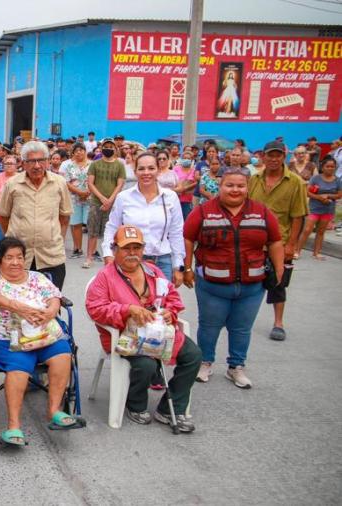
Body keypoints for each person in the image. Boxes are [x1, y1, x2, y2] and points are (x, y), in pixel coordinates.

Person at [86, 225, 201, 432]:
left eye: (137, 248)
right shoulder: (105, 277)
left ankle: (170, 407)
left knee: (193, 355)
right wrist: (127, 310)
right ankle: (135, 403)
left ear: (143, 249)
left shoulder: (153, 271)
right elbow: (95, 308)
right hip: (125, 336)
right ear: (114, 250)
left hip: (158, 333)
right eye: (126, 248)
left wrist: (170, 312)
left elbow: (173, 297)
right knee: (146, 365)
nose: (132, 253)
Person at [182, 167, 284, 389]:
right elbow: (188, 238)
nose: (235, 190)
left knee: (241, 328)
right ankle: (205, 362)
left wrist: (279, 269)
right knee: (209, 326)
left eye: (240, 185)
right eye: (230, 185)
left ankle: (236, 367)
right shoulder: (202, 211)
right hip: (212, 285)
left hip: (252, 286)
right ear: (220, 186)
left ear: (247, 187)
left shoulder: (261, 211)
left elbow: (275, 241)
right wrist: (187, 267)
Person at [0, 237, 79, 443]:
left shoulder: (37, 278)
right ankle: (13, 426)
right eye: (9, 258)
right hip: (8, 337)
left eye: (19, 257)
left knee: (63, 355)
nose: (15, 262)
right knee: (19, 367)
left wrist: (50, 311)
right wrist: (19, 307)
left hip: (44, 333)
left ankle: (54, 411)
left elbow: (54, 297)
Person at [249, 140, 308, 342]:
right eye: (270, 155)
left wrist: (291, 245)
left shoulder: (295, 183)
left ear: (284, 156)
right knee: (249, 280)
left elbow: (298, 216)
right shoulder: (254, 179)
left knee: (278, 283)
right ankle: (245, 318)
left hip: (280, 242)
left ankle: (278, 323)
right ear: (263, 156)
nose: (274, 159)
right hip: (253, 241)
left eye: (278, 155)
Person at [0, 141, 72, 290]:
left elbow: (64, 217)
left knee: (50, 305)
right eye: (31, 161)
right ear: (23, 163)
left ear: (48, 162)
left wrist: (51, 235)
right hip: (19, 259)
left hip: (51, 256)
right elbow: (4, 217)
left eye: (41, 160)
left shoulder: (59, 183)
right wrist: (13, 241)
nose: (37, 165)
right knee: (18, 306)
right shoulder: (12, 184)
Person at [102, 153, 185, 287]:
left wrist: (178, 265)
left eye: (151, 168)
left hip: (163, 261)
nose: (146, 173)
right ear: (135, 172)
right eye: (141, 169)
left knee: (161, 305)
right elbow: (112, 227)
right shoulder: (124, 197)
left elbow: (176, 232)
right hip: (130, 260)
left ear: (158, 170)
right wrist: (108, 254)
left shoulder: (170, 197)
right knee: (133, 304)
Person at [84, 138, 126, 268]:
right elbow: (90, 183)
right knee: (93, 230)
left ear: (115, 149)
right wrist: (102, 198)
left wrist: (110, 199)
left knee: (112, 232)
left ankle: (111, 258)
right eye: (105, 146)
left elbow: (120, 184)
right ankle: (89, 257)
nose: (108, 148)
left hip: (113, 204)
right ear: (101, 148)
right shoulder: (95, 164)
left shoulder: (119, 165)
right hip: (96, 202)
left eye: (111, 146)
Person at [297, 158, 341, 260]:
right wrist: (320, 198)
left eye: (332, 167)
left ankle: (316, 253)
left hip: (328, 209)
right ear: (322, 167)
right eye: (328, 166)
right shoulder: (316, 178)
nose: (330, 168)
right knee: (307, 230)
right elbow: (308, 192)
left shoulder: (337, 180)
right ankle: (297, 251)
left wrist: (328, 196)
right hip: (314, 208)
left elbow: (339, 195)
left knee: (321, 231)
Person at [61, 143, 92, 259]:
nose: (79, 152)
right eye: (76, 150)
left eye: (81, 150)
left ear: (85, 151)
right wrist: (79, 192)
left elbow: (95, 180)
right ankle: (77, 248)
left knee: (90, 224)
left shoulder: (92, 164)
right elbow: (66, 182)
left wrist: (87, 192)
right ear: (72, 153)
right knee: (76, 224)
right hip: (74, 198)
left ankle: (91, 251)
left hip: (90, 198)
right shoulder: (68, 165)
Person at [0, 154, 19, 255]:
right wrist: (8, 199)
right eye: (6, 163)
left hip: (16, 215)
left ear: (16, 165)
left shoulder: (20, 177)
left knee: (13, 243)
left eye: (11, 163)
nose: (9, 165)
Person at [173, 148, 199, 219]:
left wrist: (184, 188)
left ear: (192, 160)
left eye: (189, 158)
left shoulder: (194, 170)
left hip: (188, 199)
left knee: (187, 218)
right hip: (176, 198)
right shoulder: (176, 168)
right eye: (184, 158)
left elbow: (196, 182)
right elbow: (172, 181)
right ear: (181, 159)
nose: (186, 160)